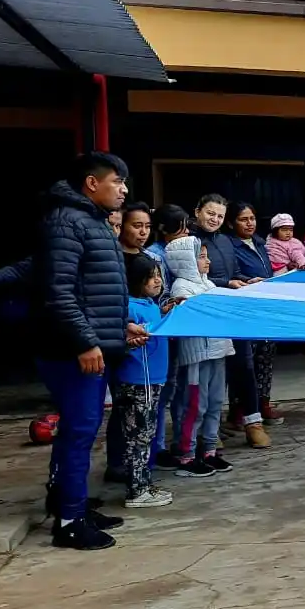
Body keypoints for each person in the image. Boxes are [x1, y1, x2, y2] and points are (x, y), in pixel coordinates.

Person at [35, 152, 147, 550]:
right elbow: (60, 293)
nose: (124, 190)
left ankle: (73, 505)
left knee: (81, 431)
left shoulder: (91, 222)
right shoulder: (67, 222)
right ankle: (69, 521)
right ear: (91, 183)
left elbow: (95, 292)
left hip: (95, 342)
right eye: (118, 181)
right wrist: (85, 342)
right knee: (79, 432)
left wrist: (121, 326)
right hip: (76, 350)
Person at [191, 195, 270, 448]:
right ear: (197, 212)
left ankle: (253, 424)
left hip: (233, 313)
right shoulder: (189, 242)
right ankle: (208, 430)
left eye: (219, 216)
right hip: (206, 316)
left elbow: (235, 273)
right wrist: (227, 284)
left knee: (244, 368)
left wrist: (246, 281)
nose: (214, 219)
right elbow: (192, 279)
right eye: (210, 213)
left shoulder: (225, 241)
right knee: (209, 375)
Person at [166, 236, 235, 478]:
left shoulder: (210, 285)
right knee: (196, 405)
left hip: (218, 351)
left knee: (215, 402)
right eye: (202, 256)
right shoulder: (181, 288)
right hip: (197, 356)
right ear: (186, 261)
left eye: (207, 256)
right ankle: (186, 454)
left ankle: (208, 451)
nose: (208, 261)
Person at [114, 256, 173, 509]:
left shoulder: (150, 304)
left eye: (158, 274)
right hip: (139, 381)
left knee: (146, 434)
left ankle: (143, 484)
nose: (158, 280)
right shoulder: (129, 307)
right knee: (138, 436)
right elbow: (122, 335)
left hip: (153, 380)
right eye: (151, 276)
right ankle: (136, 491)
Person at [227, 202, 283, 429]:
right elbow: (232, 274)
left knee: (265, 359)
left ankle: (263, 403)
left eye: (252, 218)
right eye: (243, 219)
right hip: (244, 311)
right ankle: (240, 408)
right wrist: (248, 281)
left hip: (265, 310)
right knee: (244, 363)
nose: (250, 223)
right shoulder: (229, 245)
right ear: (231, 223)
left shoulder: (260, 243)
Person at [146, 204, 189, 472]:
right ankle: (156, 447)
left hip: (176, 330)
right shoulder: (154, 257)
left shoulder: (179, 252)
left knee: (173, 388)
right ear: (164, 229)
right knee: (160, 392)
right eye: (180, 226)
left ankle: (168, 443)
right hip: (160, 328)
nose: (185, 231)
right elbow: (158, 295)